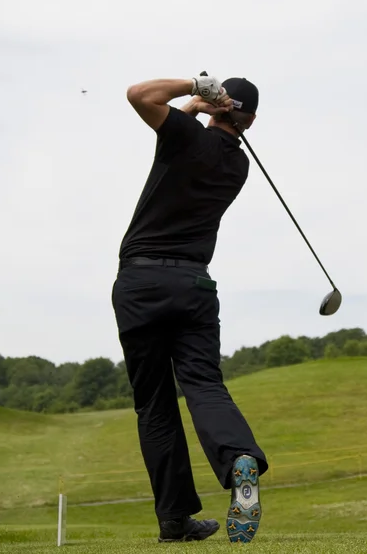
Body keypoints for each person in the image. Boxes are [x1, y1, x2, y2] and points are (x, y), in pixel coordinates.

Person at [111, 73, 268, 543]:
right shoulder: (237, 167)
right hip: (195, 285)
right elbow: (179, 130)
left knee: (155, 405)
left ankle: (174, 519)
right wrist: (203, 107)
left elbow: (139, 95)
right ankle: (238, 456)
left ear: (216, 104)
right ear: (251, 120)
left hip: (141, 282)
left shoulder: (183, 137)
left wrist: (193, 87)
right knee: (204, 384)